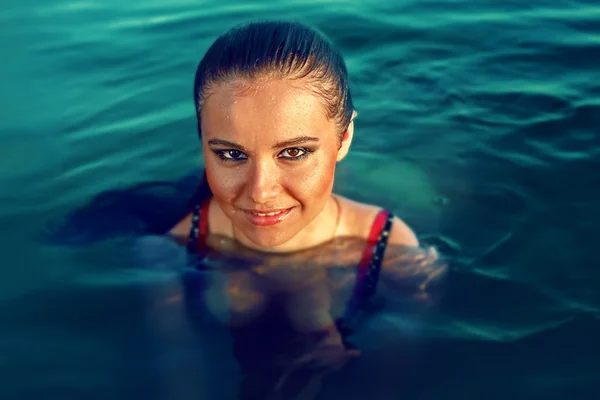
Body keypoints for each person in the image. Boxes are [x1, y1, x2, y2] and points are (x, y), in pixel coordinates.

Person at [134, 20, 446, 400]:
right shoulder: (170, 250)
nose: (261, 191)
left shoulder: (390, 248)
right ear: (202, 143)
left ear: (344, 138)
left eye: (294, 152)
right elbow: (179, 369)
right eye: (231, 154)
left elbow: (392, 378)